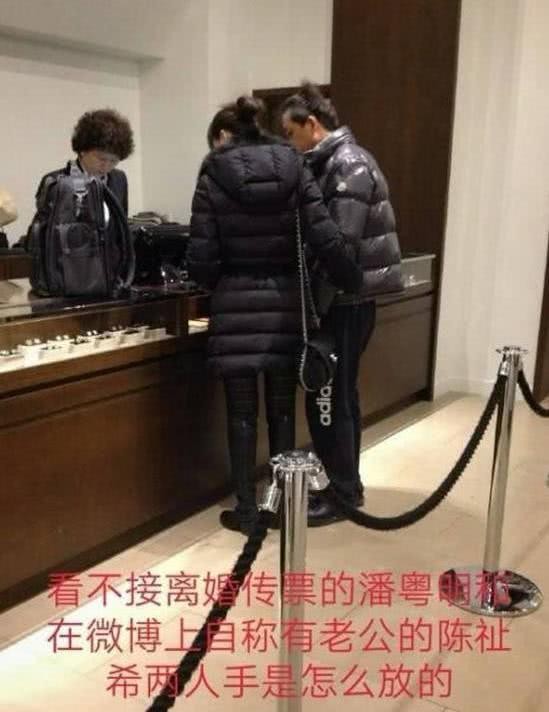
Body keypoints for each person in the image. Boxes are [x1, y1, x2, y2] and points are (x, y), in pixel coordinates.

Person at [187, 96, 362, 535]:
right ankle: (284, 502)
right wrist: (350, 279)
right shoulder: (294, 166)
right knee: (282, 411)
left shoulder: (212, 174)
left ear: (226, 134)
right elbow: (324, 235)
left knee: (241, 414)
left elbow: (202, 260)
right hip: (286, 302)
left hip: (234, 306)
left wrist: (220, 280)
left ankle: (247, 510)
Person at [281, 82, 403, 526]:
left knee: (329, 396)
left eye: (291, 133)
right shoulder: (340, 161)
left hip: (344, 302)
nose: (289, 143)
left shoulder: (346, 163)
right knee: (338, 394)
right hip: (348, 300)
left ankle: (343, 492)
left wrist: (315, 305)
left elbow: (339, 246)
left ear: (312, 125)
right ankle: (345, 485)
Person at [34, 108, 134, 217]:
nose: (106, 166)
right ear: (83, 151)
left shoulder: (119, 178)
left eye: (114, 161)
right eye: (101, 159)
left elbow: (122, 222)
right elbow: (46, 225)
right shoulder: (54, 182)